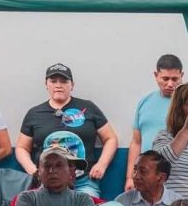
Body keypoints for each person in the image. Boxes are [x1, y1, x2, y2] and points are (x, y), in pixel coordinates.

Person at [15, 63, 118, 196]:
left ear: (72, 85)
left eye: (64, 81)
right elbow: (21, 147)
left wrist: (101, 164)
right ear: (46, 84)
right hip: (46, 182)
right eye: (53, 81)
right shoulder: (34, 113)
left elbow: (110, 138)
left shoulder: (88, 107)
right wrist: (33, 170)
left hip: (83, 182)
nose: (59, 85)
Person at [124, 54, 184, 191]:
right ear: (156, 75)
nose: (170, 84)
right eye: (165, 79)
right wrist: (130, 177)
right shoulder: (145, 102)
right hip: (146, 175)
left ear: (182, 76)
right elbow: (136, 142)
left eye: (175, 79)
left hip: (177, 176)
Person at [14, 145, 96, 206]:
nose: (52, 171)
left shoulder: (82, 199)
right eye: (47, 166)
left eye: (59, 165)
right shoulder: (27, 198)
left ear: (70, 171)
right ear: (39, 172)